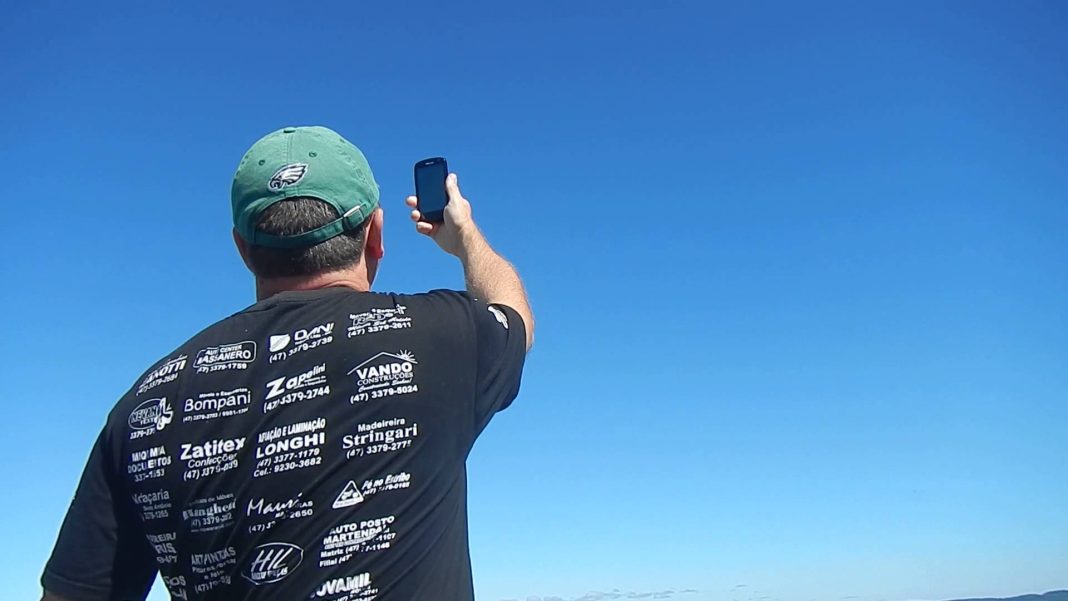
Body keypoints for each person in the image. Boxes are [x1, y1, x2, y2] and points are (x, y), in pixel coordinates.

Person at [41, 125, 534, 601]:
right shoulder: (445, 335)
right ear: (375, 235)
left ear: (243, 249)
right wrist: (464, 237)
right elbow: (514, 315)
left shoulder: (145, 404)